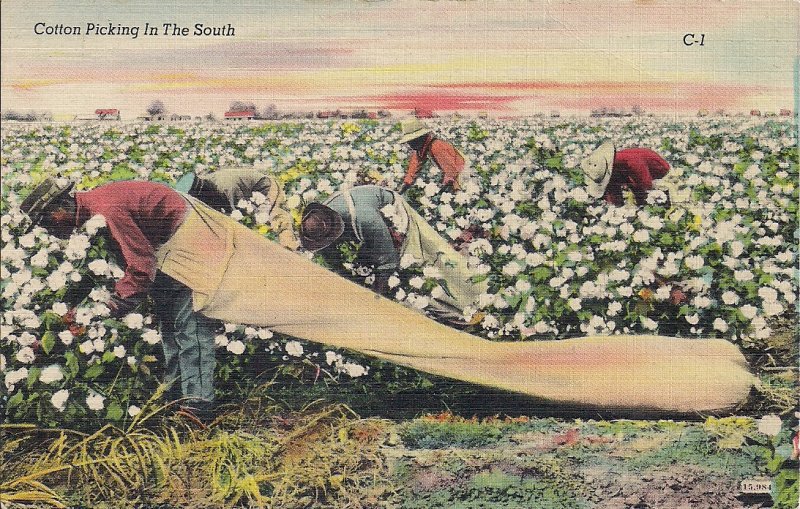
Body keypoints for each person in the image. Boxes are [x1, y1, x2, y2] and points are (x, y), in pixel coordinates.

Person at [21, 178, 217, 420]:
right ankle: (175, 395)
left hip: (188, 239)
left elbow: (142, 269)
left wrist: (109, 307)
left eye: (46, 220)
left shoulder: (107, 211)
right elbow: (97, 272)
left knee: (189, 326)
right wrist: (71, 313)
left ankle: (199, 405)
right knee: (169, 326)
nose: (48, 229)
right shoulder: (89, 215)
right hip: (162, 243)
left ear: (61, 206)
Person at [299, 185, 487, 324]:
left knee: (426, 261)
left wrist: (374, 300)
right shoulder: (320, 221)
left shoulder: (366, 218)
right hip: (369, 219)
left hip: (394, 214)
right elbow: (332, 260)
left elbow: (388, 261)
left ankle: (471, 303)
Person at [174, 167, 299, 250]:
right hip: (248, 196)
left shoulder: (226, 188)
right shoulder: (207, 185)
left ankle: (290, 246)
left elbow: (238, 216)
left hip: (264, 190)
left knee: (271, 220)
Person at [581, 141, 671, 206]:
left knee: (650, 196)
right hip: (628, 170)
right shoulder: (608, 168)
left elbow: (646, 185)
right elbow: (611, 190)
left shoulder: (632, 161)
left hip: (657, 169)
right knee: (613, 191)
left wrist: (645, 202)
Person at [398, 118, 466, 193]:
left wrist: (441, 190)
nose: (410, 144)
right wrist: (404, 186)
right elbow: (413, 169)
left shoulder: (436, 146)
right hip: (452, 174)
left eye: (412, 141)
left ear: (421, 137)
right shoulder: (420, 149)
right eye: (409, 141)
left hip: (462, 173)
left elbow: (452, 172)